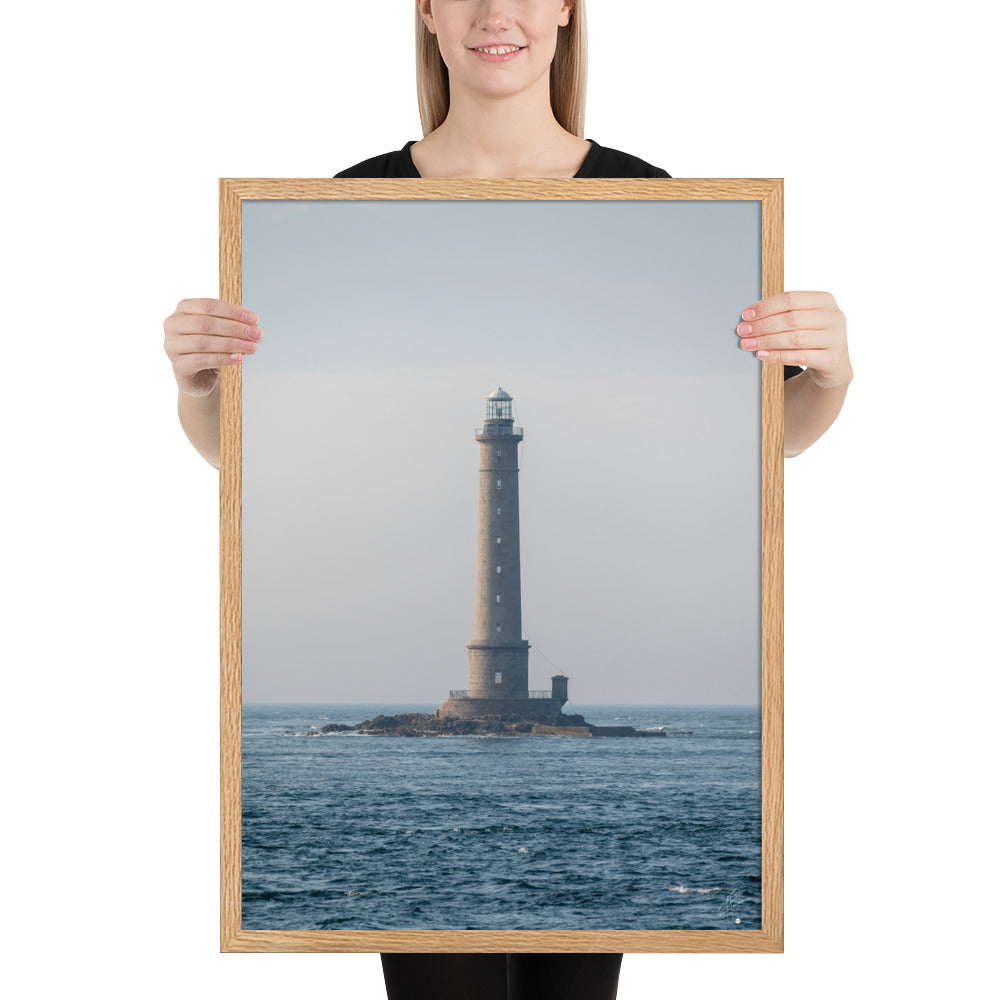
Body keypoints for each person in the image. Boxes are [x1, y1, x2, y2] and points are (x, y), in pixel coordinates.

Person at [163, 2, 852, 997]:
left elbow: (767, 437)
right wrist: (195, 387)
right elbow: (238, 453)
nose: (498, 12)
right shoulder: (353, 197)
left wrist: (830, 373)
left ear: (568, 9)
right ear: (427, 13)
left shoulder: (649, 196)